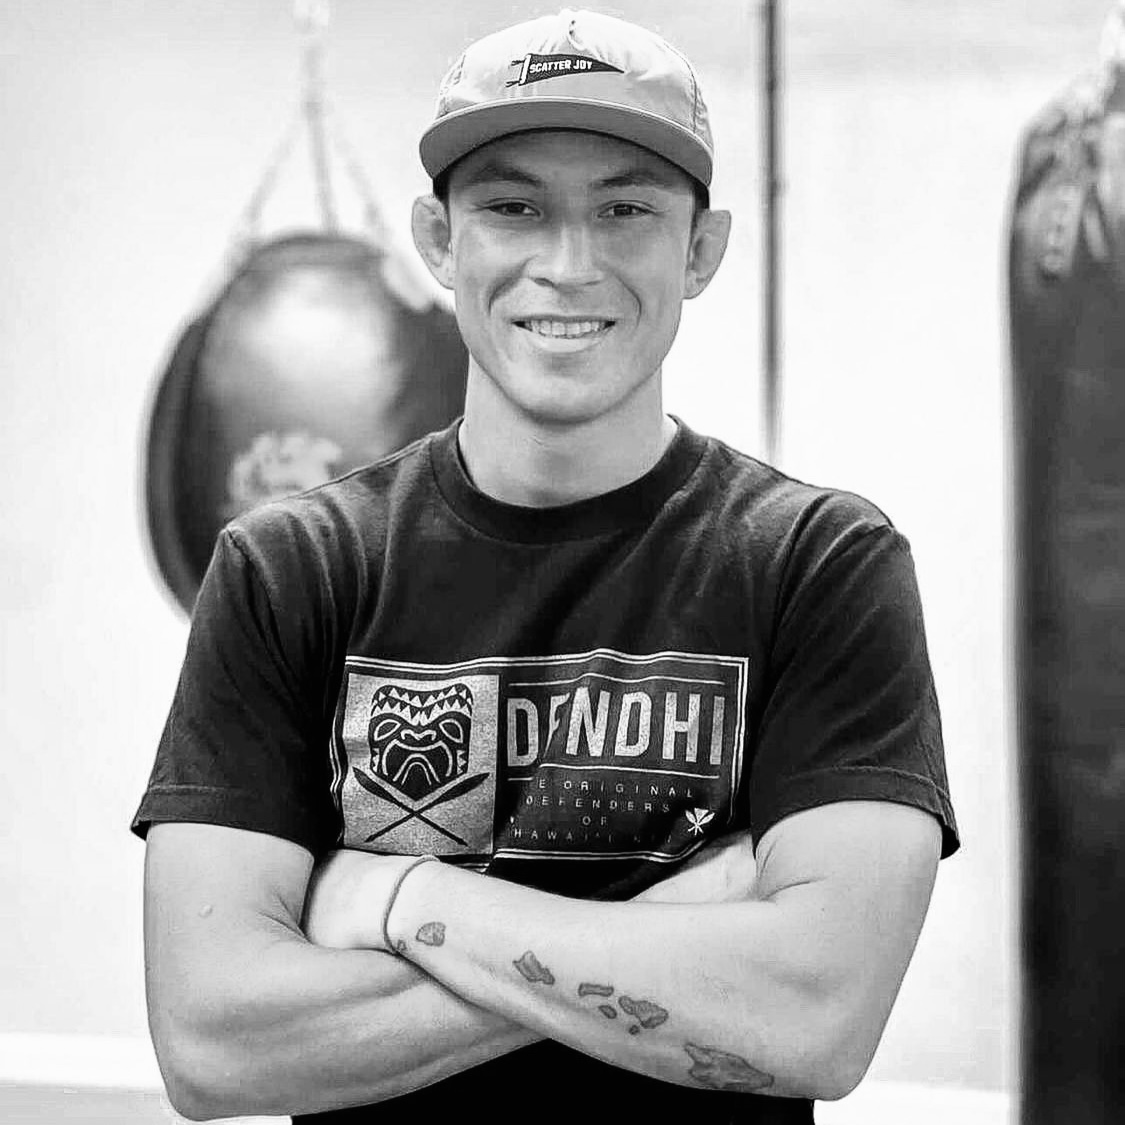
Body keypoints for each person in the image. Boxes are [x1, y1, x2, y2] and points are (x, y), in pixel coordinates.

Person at [133, 9, 959, 1124]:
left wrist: (405, 901)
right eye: (513, 207)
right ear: (438, 241)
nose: (567, 264)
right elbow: (213, 1045)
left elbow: (816, 1020)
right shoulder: (292, 569)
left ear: (701, 249)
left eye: (625, 210)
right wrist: (683, 921)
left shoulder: (816, 564)